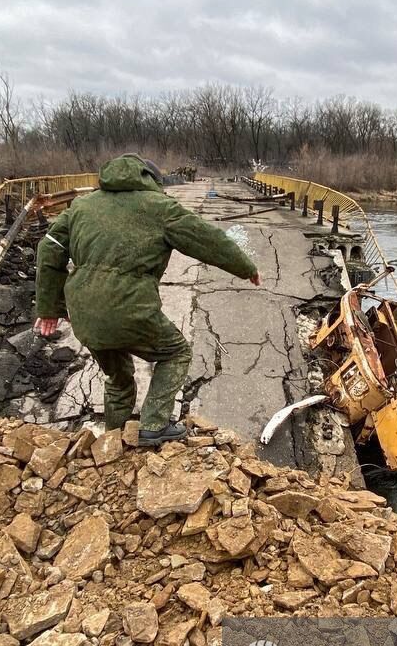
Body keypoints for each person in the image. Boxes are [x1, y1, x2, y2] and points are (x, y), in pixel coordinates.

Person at [34, 154, 260, 446]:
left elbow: (49, 248)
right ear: (151, 179)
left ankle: (114, 441)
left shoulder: (81, 205)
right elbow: (206, 239)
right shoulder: (161, 208)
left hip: (85, 313)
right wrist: (246, 268)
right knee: (176, 353)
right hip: (131, 309)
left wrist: (49, 307)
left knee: (118, 378)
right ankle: (153, 424)